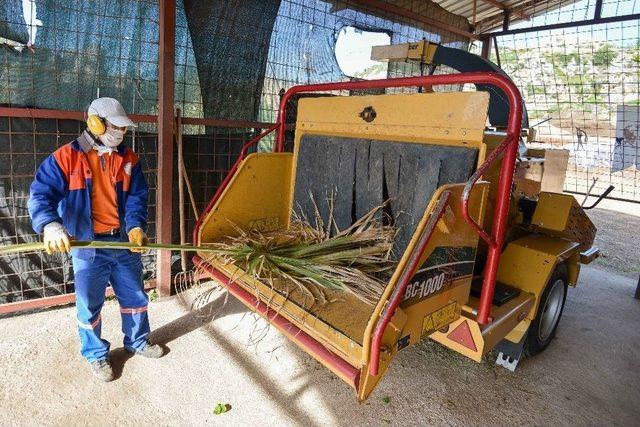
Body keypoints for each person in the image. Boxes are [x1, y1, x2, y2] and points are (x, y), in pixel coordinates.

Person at [28, 97, 164, 382]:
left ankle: (137, 341)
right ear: (95, 123)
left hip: (124, 243)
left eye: (124, 129)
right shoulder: (65, 158)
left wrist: (136, 226)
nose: (122, 134)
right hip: (87, 246)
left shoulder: (129, 160)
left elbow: (137, 199)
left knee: (135, 297)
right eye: (116, 127)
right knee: (89, 304)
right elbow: (41, 194)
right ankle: (96, 355)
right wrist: (50, 225)